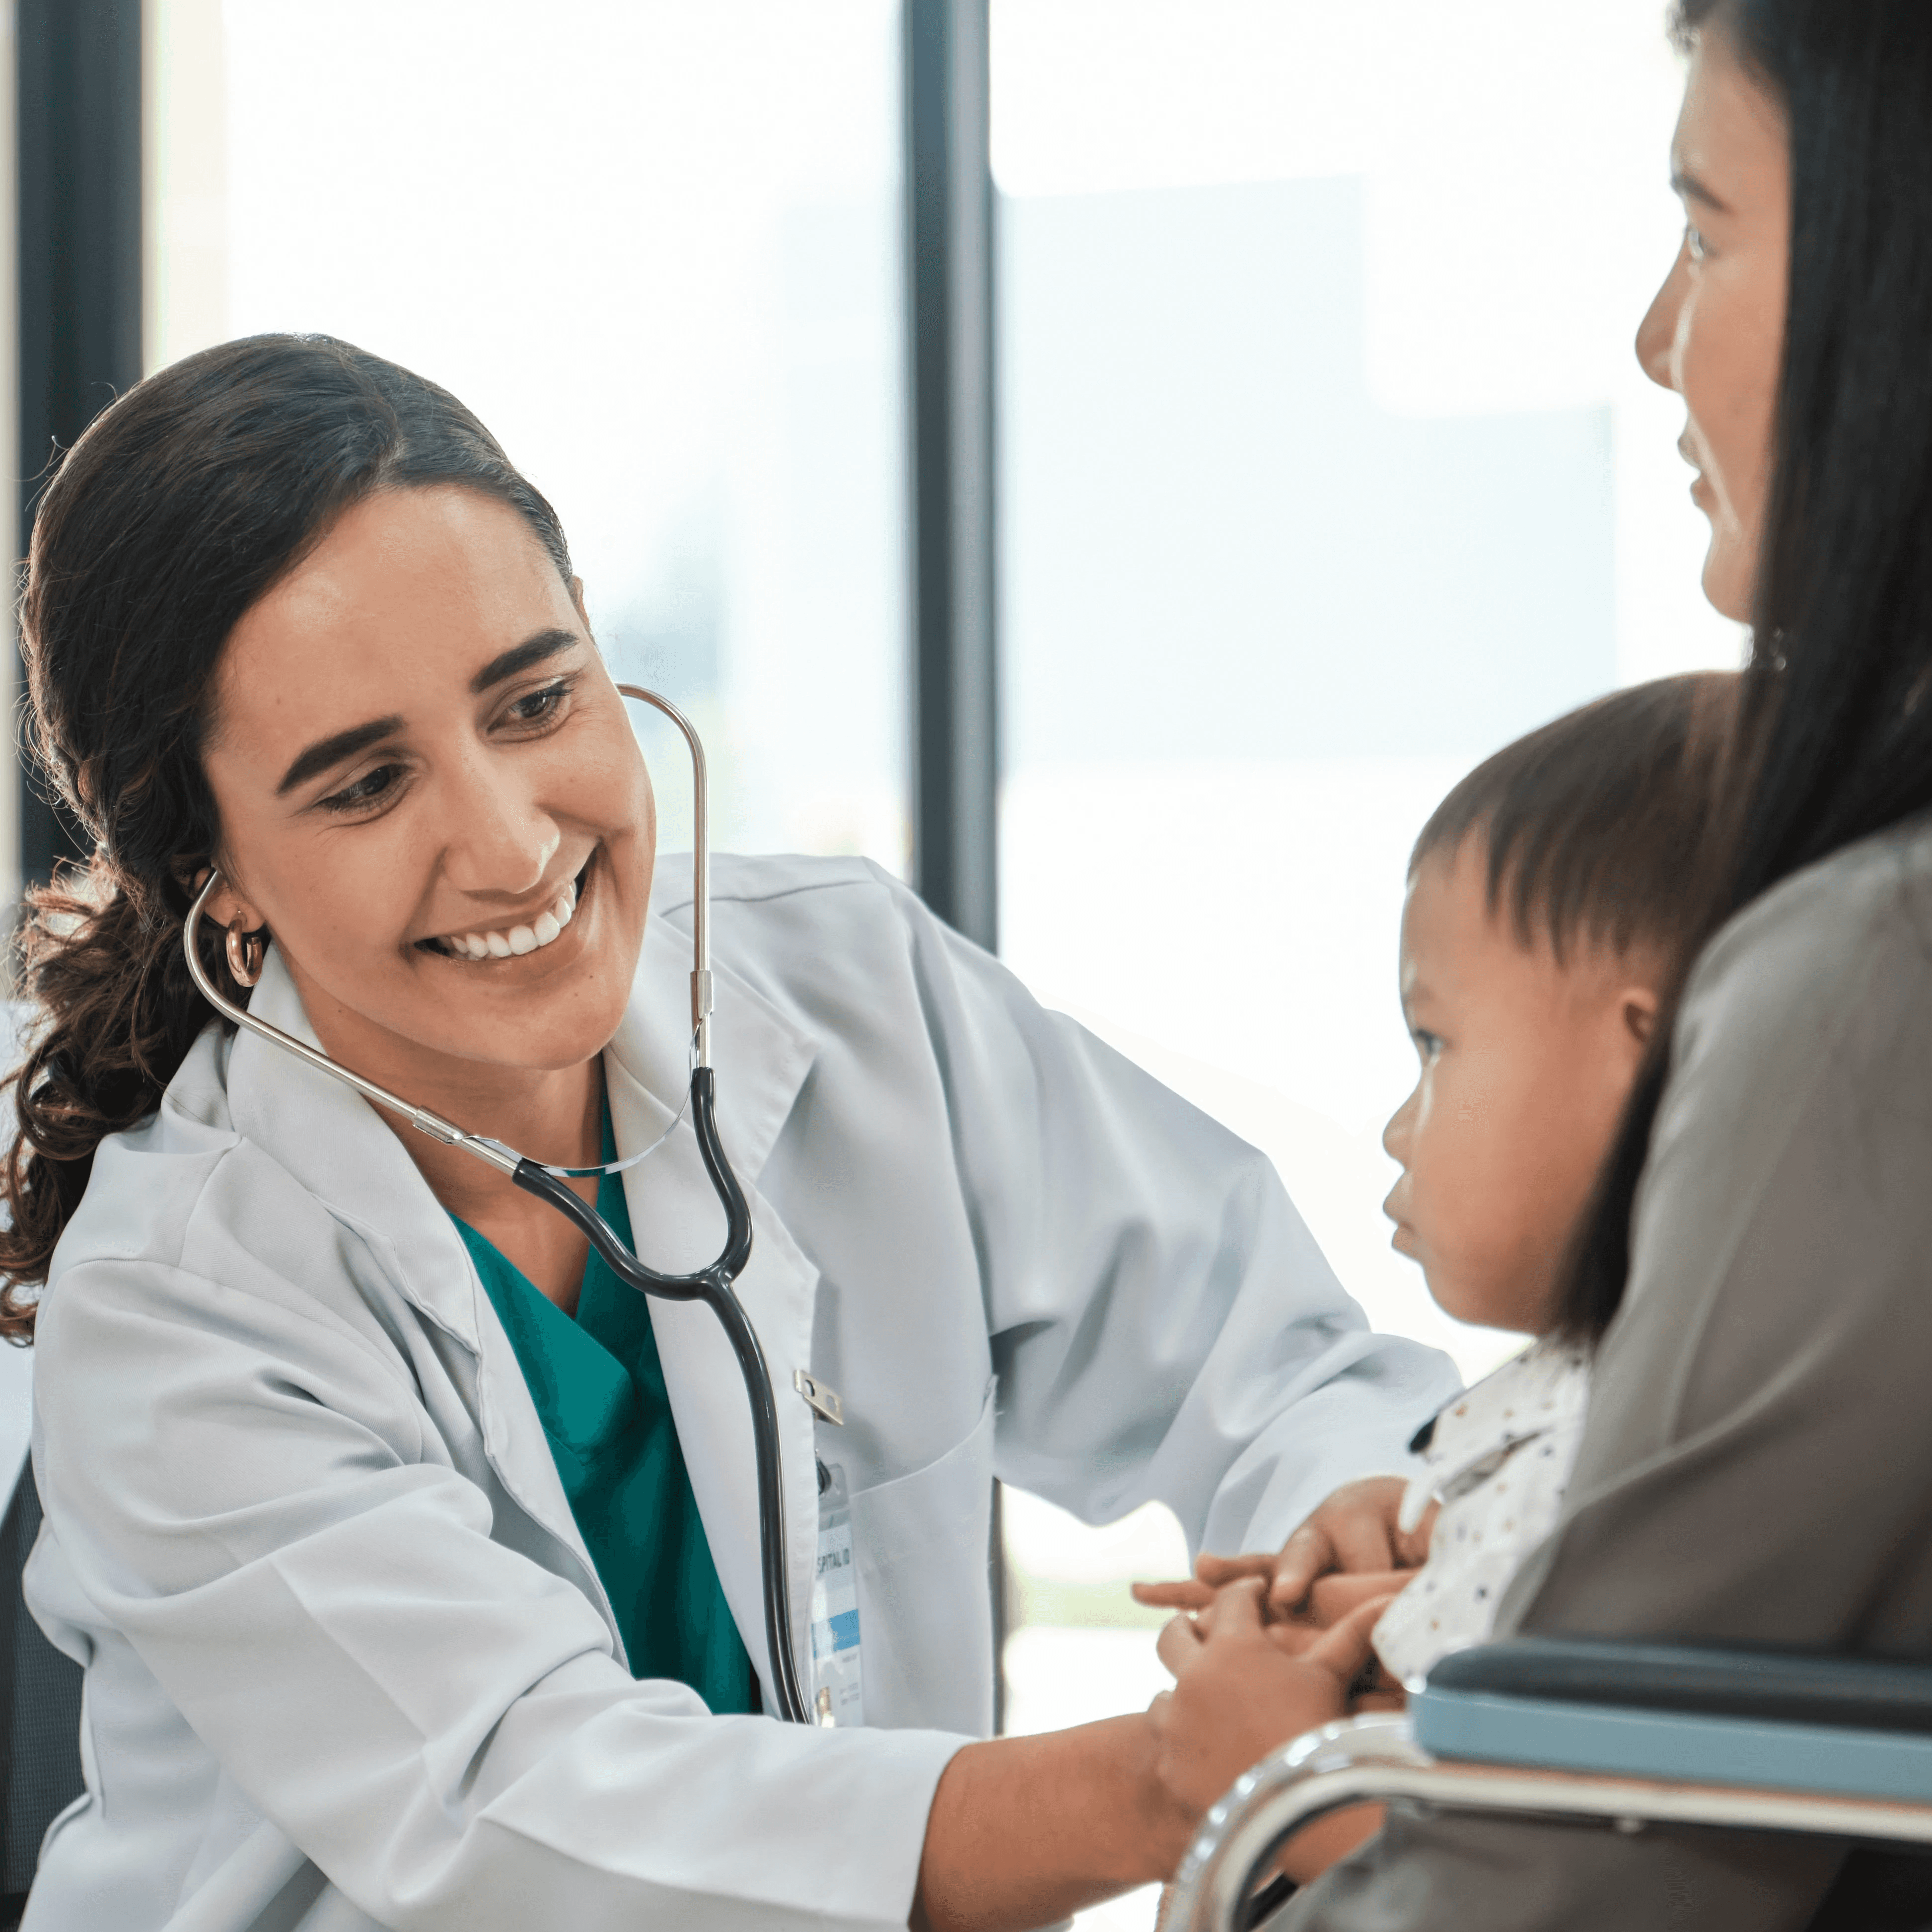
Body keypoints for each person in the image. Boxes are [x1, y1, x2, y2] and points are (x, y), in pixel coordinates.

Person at [3, 334, 1458, 1932]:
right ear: (217, 873)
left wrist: (1344, 1559)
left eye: (537, 699)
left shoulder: (849, 994)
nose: (505, 844)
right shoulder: (178, 1308)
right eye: (363, 786)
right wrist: (1177, 1780)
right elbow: (537, 1822)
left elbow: (1275, 1367)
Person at [1134, 0, 1932, 1924]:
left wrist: (1271, 1803)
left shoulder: (1869, 980)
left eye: (1712, 229)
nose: (1659, 336)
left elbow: (1580, 1858)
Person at [1139, 672, 1744, 1882]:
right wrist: (1415, 1572)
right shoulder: (1613, 1404)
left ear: (1657, 1053)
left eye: (1435, 1044)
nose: (1397, 1129)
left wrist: (1275, 1774)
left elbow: (1552, 1890)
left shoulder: (1654, 1465)